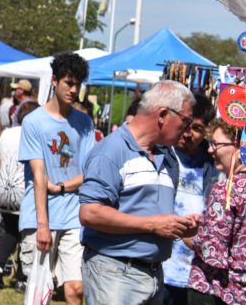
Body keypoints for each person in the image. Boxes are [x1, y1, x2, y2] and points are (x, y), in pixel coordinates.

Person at [79, 80, 200, 305]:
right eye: (186, 121)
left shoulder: (169, 157)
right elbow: (90, 213)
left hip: (154, 275)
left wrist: (181, 226)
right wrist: (152, 224)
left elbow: (155, 213)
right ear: (163, 115)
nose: (188, 131)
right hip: (114, 274)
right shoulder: (111, 152)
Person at [17, 52, 95, 305]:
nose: (73, 90)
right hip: (40, 216)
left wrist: (62, 186)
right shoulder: (33, 122)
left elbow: (90, 172)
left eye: (77, 84)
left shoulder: (84, 123)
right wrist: (43, 225)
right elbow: (38, 175)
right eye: (68, 83)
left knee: (76, 288)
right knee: (41, 293)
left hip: (73, 215)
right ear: (54, 80)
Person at [161, 94, 218, 304]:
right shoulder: (161, 157)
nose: (188, 134)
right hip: (162, 266)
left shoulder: (214, 165)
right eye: (186, 125)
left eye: (197, 129)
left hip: (197, 274)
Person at [0, 101, 40, 290]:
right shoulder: (35, 135)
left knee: (10, 229)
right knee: (28, 232)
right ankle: (23, 277)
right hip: (24, 188)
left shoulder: (6, 134)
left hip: (5, 189)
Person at [187, 118, 245, 305]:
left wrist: (186, 232)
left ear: (238, 146)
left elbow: (212, 251)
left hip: (221, 292)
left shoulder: (228, 190)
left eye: (216, 144)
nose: (210, 149)